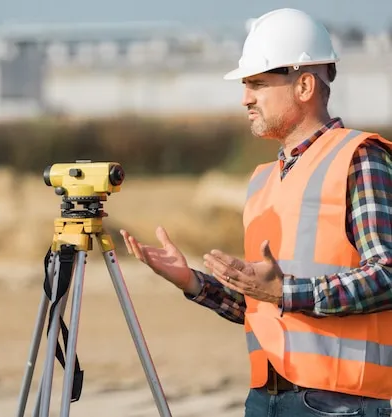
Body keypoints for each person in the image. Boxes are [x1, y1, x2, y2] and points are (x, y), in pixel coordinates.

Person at [121, 8, 392, 417]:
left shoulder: (359, 158)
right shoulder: (264, 180)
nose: (245, 98)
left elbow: (387, 275)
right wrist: (194, 282)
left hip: (341, 403)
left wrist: (285, 292)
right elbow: (265, 307)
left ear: (304, 85)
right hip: (266, 398)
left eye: (258, 84)